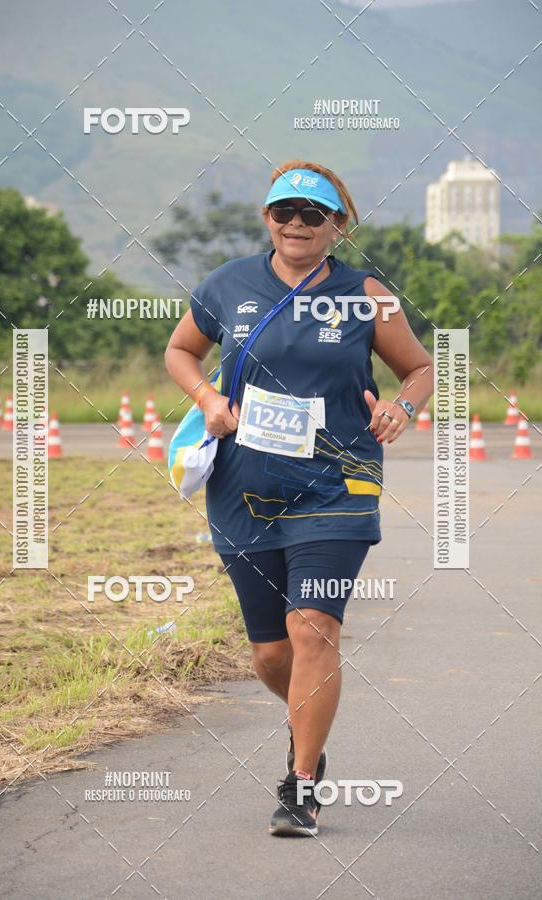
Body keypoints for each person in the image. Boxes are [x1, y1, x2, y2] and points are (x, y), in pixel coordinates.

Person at [165, 160, 434, 836]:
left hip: (336, 486)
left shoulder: (366, 294)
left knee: (312, 627)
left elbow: (421, 367)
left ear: (337, 226)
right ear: (267, 218)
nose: (297, 224)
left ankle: (302, 783)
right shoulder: (228, 284)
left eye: (313, 214)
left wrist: (402, 407)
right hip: (242, 486)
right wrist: (208, 399)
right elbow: (179, 351)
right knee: (270, 654)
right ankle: (306, 724)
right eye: (284, 211)